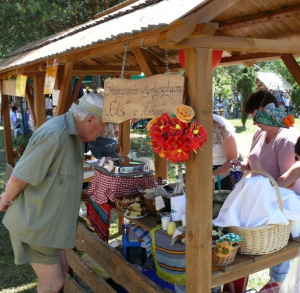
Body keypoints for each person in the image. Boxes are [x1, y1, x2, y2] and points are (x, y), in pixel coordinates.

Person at [0, 92, 111, 293]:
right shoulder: (55, 135)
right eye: (102, 127)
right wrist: (5, 200)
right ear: (89, 119)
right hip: (37, 223)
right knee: (53, 283)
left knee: (62, 270)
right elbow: (19, 177)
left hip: (50, 225)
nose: (102, 133)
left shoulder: (74, 133)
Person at [231, 89, 300, 285]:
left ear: (265, 111)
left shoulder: (286, 138)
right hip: (264, 199)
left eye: (254, 116)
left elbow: (289, 182)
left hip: (285, 202)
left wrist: (259, 197)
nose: (253, 122)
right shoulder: (260, 134)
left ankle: (278, 285)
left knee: (278, 251)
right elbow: (254, 167)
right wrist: (237, 166)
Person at [212, 114, 239, 191]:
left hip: (225, 172)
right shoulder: (183, 124)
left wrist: (211, 175)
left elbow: (233, 161)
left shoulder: (218, 125)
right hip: (203, 170)